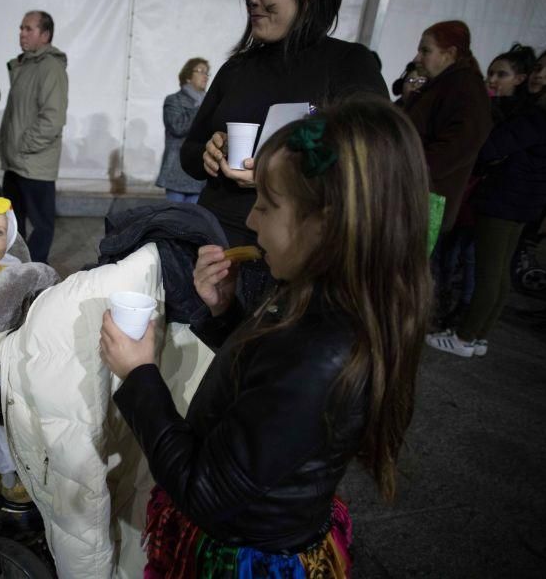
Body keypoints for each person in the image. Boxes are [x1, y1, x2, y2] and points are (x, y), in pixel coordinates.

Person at [100, 99, 431, 576]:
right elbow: (265, 379)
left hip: (242, 556)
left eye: (267, 205)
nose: (251, 222)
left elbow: (204, 492)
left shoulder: (322, 351)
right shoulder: (314, 297)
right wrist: (223, 312)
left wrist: (139, 374)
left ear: (328, 223)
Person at [180, 0, 387, 249]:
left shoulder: (347, 63)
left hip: (290, 251)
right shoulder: (236, 69)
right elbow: (189, 153)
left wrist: (278, 176)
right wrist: (208, 154)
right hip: (212, 239)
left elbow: (377, 161)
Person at [426, 70, 546, 357]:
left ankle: (464, 337)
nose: (541, 76)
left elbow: (491, 147)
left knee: (488, 272)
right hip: (523, 206)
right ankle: (478, 336)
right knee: (498, 273)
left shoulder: (535, 120)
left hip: (504, 202)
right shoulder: (541, 121)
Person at [404, 20, 492, 234]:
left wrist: (404, 169)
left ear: (449, 53)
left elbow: (457, 148)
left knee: (406, 266)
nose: (417, 58)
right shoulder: (444, 85)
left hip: (427, 202)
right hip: (417, 197)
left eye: (425, 51)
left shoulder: (465, 89)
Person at [0, 10, 68, 264]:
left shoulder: (51, 68)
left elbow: (52, 119)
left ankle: (36, 276)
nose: (22, 33)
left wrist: (23, 145)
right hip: (17, 162)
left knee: (41, 225)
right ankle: (17, 270)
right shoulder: (26, 64)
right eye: (21, 28)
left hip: (35, 164)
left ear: (45, 35)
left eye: (28, 29)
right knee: (12, 223)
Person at [155, 57, 209, 204]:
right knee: (175, 220)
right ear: (188, 76)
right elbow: (177, 127)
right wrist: (201, 109)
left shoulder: (209, 102)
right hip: (177, 171)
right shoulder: (174, 100)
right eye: (200, 71)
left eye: (207, 72)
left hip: (198, 170)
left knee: (193, 220)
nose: (205, 76)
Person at [486, 44, 536, 122]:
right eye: (490, 73)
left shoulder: (524, 113)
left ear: (519, 79)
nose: (491, 80)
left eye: (501, 75)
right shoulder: (481, 101)